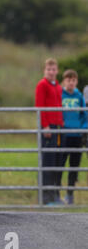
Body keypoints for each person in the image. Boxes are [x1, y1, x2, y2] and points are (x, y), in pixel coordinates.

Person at [35, 58, 64, 205]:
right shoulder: (42, 85)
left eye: (53, 70)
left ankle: (55, 195)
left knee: (56, 161)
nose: (51, 72)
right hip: (48, 127)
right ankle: (46, 197)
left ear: (57, 71)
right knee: (47, 161)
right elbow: (39, 106)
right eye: (49, 70)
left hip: (58, 126)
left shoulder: (58, 86)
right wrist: (45, 125)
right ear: (44, 71)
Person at [56, 69, 87, 204]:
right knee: (60, 164)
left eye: (73, 80)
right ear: (64, 81)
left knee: (74, 166)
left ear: (76, 82)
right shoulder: (59, 95)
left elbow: (85, 115)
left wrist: (83, 128)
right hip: (63, 135)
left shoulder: (79, 96)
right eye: (68, 80)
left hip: (77, 136)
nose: (71, 83)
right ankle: (55, 193)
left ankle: (70, 194)